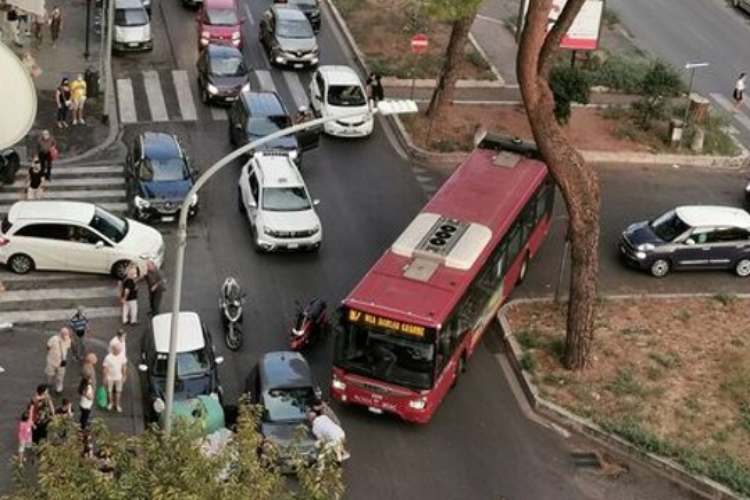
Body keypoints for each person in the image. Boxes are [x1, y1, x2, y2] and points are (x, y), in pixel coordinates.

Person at [45, 327, 71, 394]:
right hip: (51, 361)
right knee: (49, 375)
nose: (66, 336)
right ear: (61, 334)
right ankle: (49, 385)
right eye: (65, 334)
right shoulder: (53, 339)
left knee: (61, 376)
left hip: (62, 362)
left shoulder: (68, 340)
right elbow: (48, 346)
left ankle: (59, 387)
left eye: (67, 334)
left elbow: (67, 348)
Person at [102, 343, 126, 413]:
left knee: (118, 391)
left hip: (119, 377)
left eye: (119, 350)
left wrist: (124, 375)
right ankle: (111, 403)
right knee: (109, 391)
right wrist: (105, 377)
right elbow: (105, 368)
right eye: (117, 350)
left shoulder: (122, 356)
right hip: (110, 377)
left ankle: (117, 404)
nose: (119, 352)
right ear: (113, 350)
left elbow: (124, 366)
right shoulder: (108, 357)